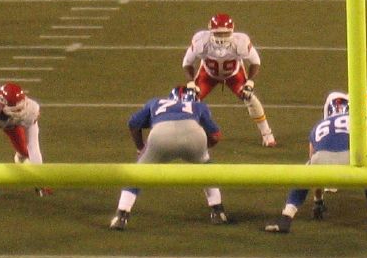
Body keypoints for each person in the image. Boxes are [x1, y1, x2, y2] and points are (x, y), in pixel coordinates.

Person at [265, 93, 367, 233]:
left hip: (320, 161)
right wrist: (366, 164)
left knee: (304, 174)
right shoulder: (357, 120)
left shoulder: (318, 126)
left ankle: (286, 218)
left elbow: (314, 167)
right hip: (349, 160)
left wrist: (318, 201)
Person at [109, 85, 229, 230]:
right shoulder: (198, 105)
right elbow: (216, 136)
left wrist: (140, 147)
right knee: (207, 170)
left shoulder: (156, 102)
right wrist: (203, 150)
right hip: (193, 135)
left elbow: (133, 123)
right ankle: (218, 211)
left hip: (161, 136)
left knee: (136, 174)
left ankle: (121, 215)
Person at [181, 13, 275, 146]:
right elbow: (187, 62)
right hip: (208, 75)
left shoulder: (240, 42)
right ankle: (182, 134)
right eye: (218, 34)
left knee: (250, 97)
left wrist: (250, 81)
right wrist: (191, 82)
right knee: (189, 101)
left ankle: (267, 133)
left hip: (233, 74)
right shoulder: (201, 41)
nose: (222, 38)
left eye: (225, 34)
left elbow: (255, 61)